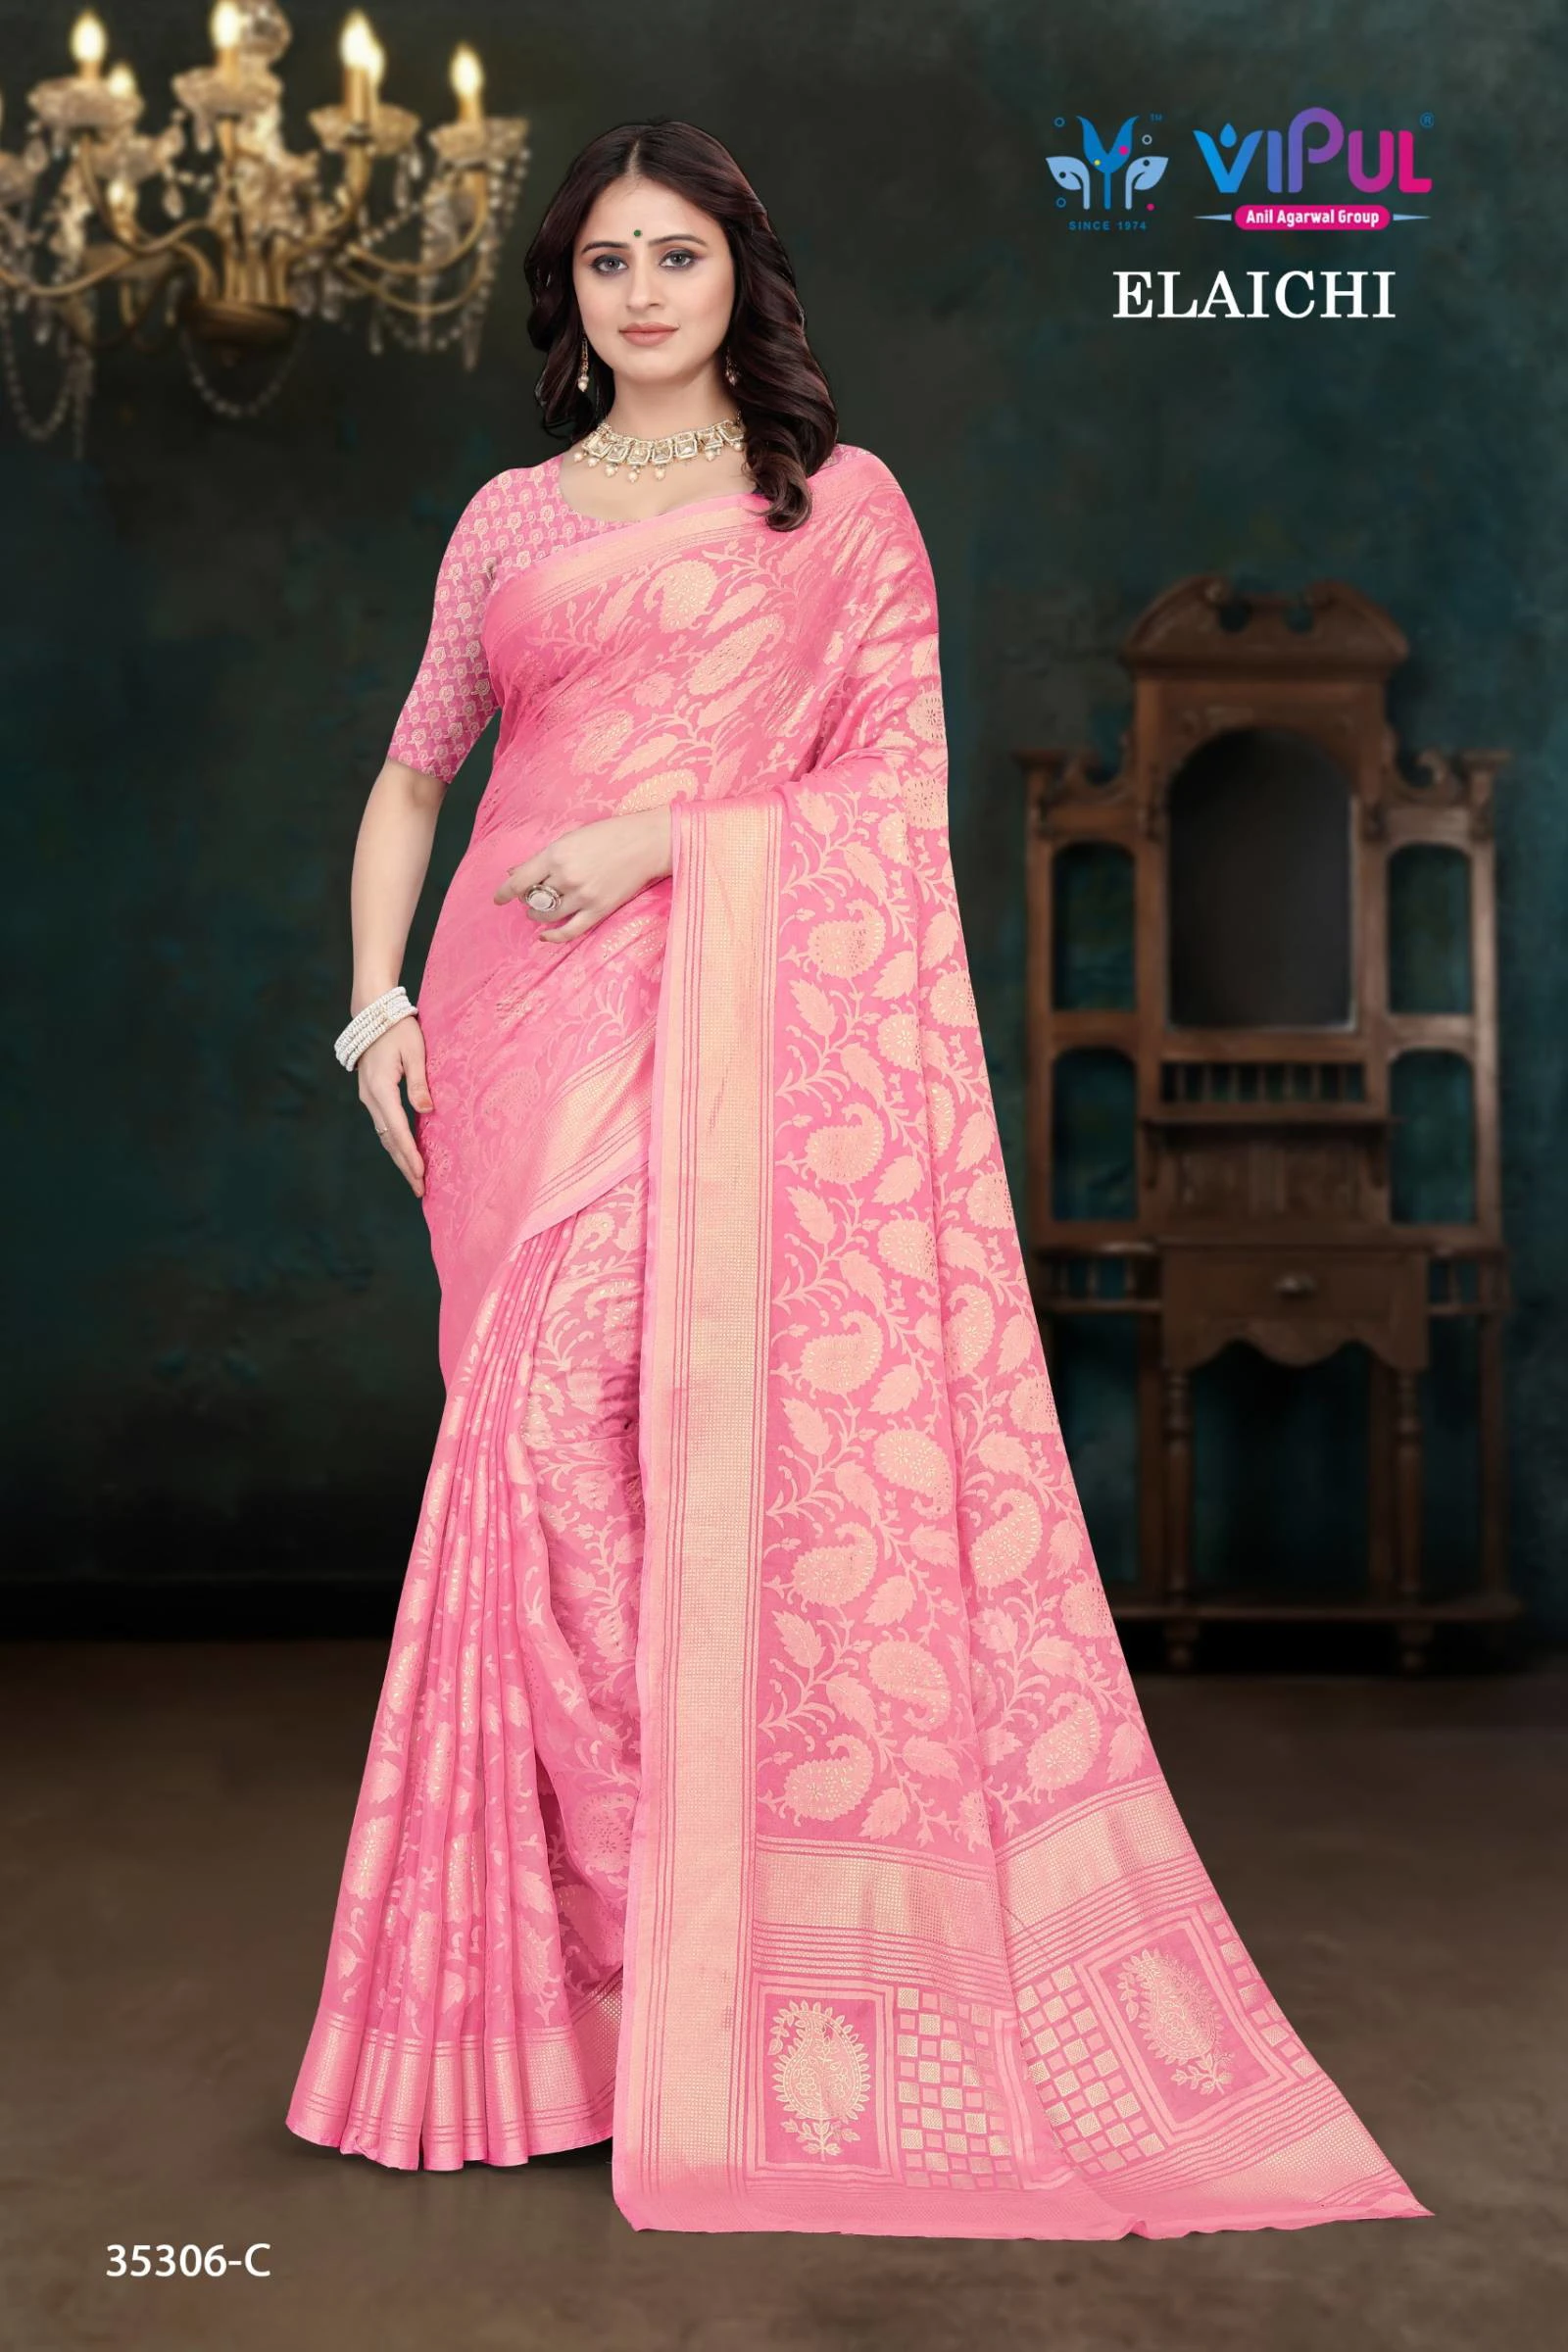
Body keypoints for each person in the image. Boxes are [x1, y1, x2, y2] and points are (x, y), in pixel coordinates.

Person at [286, 118, 1429, 2241]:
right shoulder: (508, 522)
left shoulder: (837, 508)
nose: (643, 291)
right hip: (512, 1045)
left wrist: (664, 845)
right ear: (569, 295)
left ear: (742, 276)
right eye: (608, 261)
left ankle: (692, 1971)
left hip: (717, 1037)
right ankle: (588, 2004)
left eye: (677, 255)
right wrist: (374, 1012)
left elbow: (891, 807)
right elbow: (412, 773)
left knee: (623, 1452)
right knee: (541, 1478)